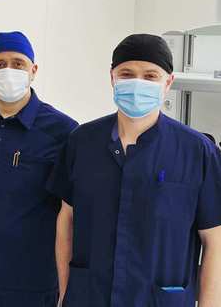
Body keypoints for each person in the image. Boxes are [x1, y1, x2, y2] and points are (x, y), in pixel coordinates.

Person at [48, 34, 221, 306]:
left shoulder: (197, 152)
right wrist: (65, 294)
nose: (138, 83)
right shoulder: (82, 142)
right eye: (127, 74)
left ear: (168, 82)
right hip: (90, 296)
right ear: (112, 78)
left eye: (150, 76)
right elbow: (66, 221)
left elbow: (214, 241)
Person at [0, 31, 78, 306]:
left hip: (31, 282)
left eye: (18, 63)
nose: (8, 70)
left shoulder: (63, 131)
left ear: (34, 70)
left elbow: (69, 214)